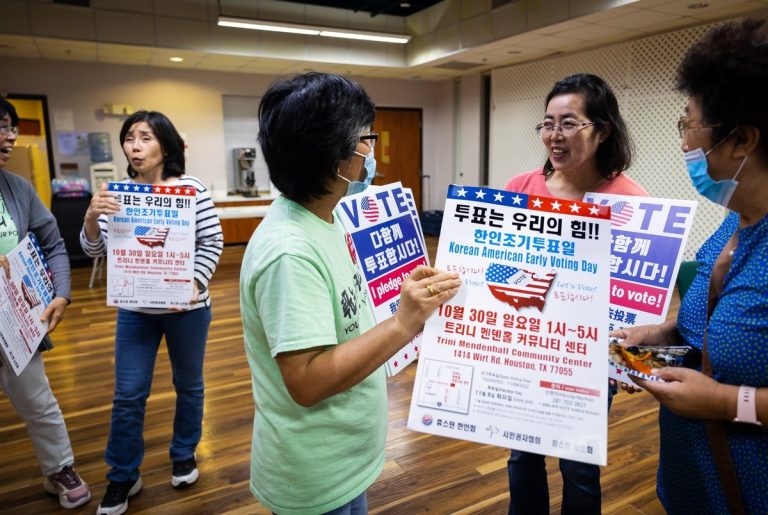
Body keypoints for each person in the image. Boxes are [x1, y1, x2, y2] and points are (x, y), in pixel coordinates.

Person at [240, 72, 462, 514]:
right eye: (365, 139)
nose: (370, 151)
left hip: (342, 458)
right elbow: (306, 381)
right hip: (316, 476)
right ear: (332, 157)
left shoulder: (326, 216)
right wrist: (402, 324)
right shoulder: (289, 252)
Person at [614, 19, 768, 514]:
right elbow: (709, 326)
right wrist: (661, 336)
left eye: (688, 126)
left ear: (741, 140)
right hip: (691, 482)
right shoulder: (731, 226)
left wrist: (727, 402)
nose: (684, 145)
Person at [504, 73, 648, 515]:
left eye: (569, 123)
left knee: (580, 466)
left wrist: (630, 361)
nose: (554, 135)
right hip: (524, 346)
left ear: (601, 130)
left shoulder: (629, 200)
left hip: (587, 358)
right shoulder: (519, 188)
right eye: (548, 123)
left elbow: (634, 293)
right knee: (521, 456)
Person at [80, 110, 223, 515]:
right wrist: (91, 217)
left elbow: (212, 242)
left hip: (187, 310)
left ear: (166, 145)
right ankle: (123, 475)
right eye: (129, 138)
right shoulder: (118, 193)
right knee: (128, 395)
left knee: (190, 385)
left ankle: (183, 453)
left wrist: (192, 283)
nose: (134, 146)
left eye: (144, 138)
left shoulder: (191, 190)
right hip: (135, 311)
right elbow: (95, 251)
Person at [0, 97, 91, 509]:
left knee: (38, 402)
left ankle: (59, 468)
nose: (11, 135)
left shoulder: (17, 188)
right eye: (2, 127)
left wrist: (61, 294)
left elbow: (53, 242)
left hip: (17, 323)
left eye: (12, 126)